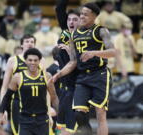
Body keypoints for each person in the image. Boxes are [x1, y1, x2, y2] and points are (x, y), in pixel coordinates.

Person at [53, 3, 117, 135]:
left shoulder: (101, 30)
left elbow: (113, 51)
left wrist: (94, 53)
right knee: (79, 114)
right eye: (81, 13)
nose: (82, 16)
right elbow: (73, 62)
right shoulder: (74, 34)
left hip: (100, 74)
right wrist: (58, 75)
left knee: (100, 113)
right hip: (82, 77)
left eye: (85, 14)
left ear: (94, 16)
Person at [0, 48, 59, 135]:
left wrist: (60, 116)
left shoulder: (47, 76)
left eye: (35, 60)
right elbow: (7, 97)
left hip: (42, 120)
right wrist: (1, 114)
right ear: (25, 61)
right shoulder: (18, 77)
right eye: (30, 60)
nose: (33, 62)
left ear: (39, 61)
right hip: (25, 120)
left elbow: (54, 97)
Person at [0, 34, 45, 135]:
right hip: (17, 103)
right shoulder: (12, 60)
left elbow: (45, 87)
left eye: (32, 42)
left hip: (37, 104)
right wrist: (3, 109)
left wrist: (49, 108)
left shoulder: (41, 61)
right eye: (27, 41)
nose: (30, 44)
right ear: (21, 45)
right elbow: (4, 87)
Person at [55, 0, 80, 134]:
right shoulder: (65, 31)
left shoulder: (83, 37)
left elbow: (79, 61)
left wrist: (71, 50)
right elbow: (59, 9)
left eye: (75, 19)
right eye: (69, 19)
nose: (71, 22)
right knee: (61, 123)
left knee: (74, 124)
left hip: (75, 83)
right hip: (63, 83)